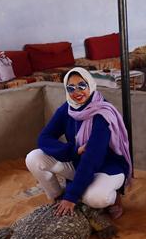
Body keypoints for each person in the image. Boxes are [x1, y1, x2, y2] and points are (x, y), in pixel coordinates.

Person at [25, 68, 132, 219]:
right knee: (34, 157)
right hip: (78, 162)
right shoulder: (67, 109)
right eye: (71, 88)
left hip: (107, 167)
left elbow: (92, 158)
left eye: (82, 85)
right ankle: (58, 196)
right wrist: (73, 151)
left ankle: (114, 199)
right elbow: (44, 137)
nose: (77, 92)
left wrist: (72, 197)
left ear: (91, 85)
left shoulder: (102, 115)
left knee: (94, 199)